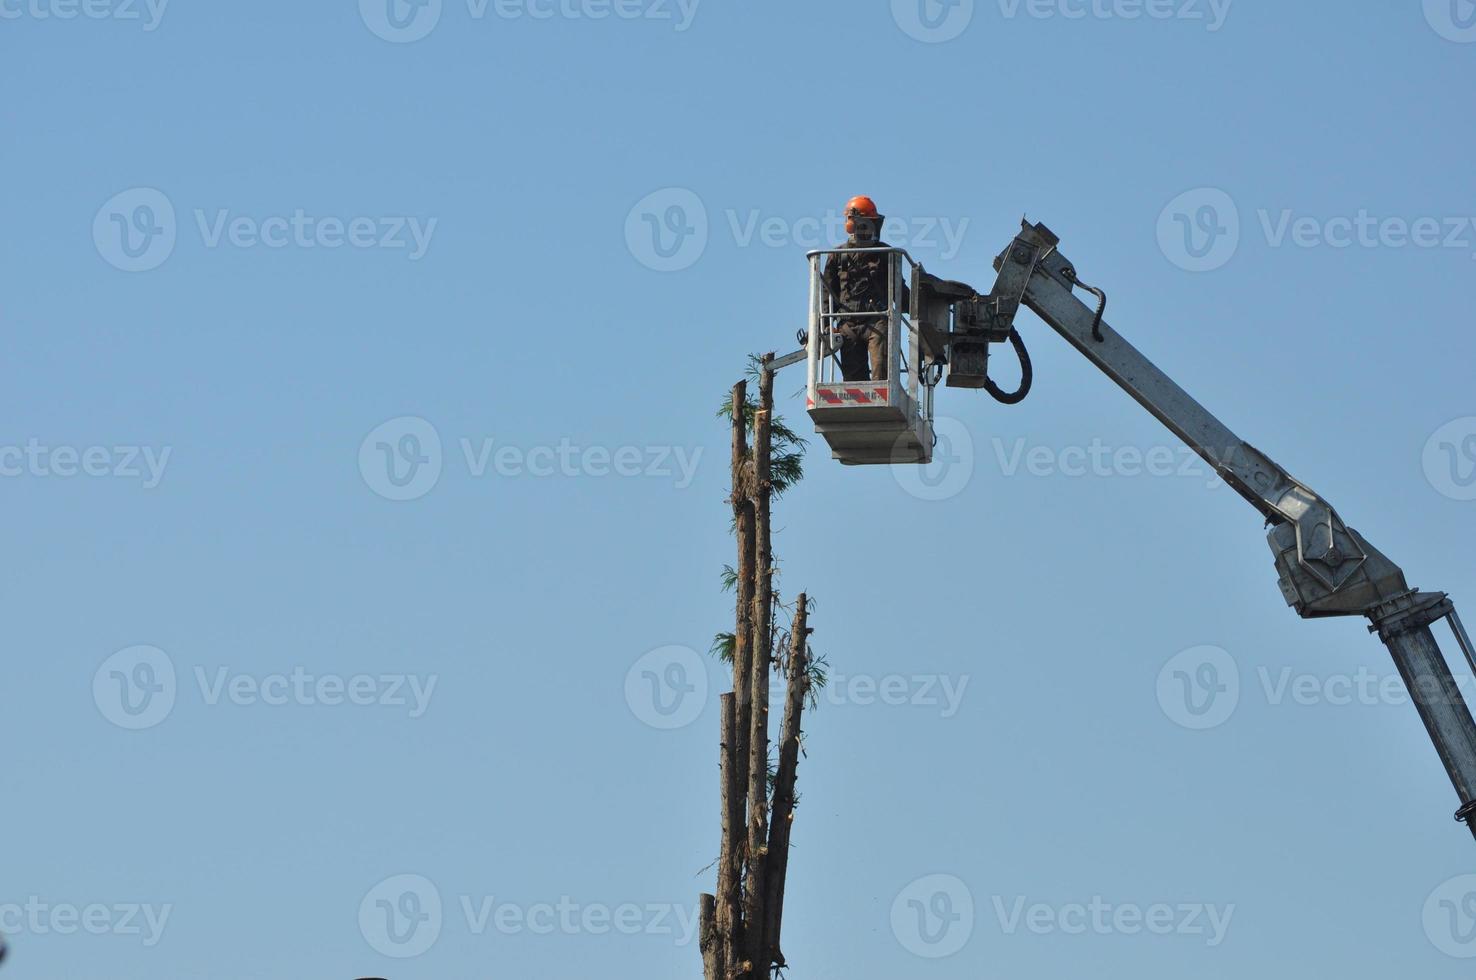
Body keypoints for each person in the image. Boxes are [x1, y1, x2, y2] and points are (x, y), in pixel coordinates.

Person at [822, 196, 909, 382]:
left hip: (877, 320)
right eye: (865, 223)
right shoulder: (838, 256)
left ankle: (881, 400)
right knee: (853, 382)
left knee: (881, 375)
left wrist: (921, 305)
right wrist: (825, 324)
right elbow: (826, 293)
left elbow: (900, 291)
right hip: (848, 324)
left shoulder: (886, 254)